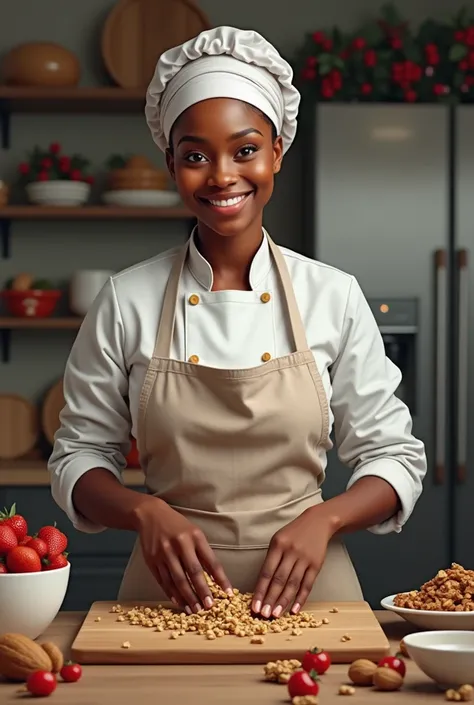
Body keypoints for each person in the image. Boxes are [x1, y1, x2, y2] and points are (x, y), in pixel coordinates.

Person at [48, 25, 427, 619]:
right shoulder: (127, 299)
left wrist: (324, 519)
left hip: (312, 596)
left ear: (277, 150)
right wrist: (143, 511)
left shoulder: (332, 294)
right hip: (166, 600)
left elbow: (394, 457)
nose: (222, 175)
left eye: (245, 149)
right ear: (171, 163)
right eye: (196, 155)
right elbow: (78, 457)